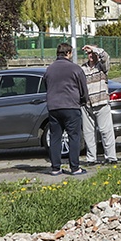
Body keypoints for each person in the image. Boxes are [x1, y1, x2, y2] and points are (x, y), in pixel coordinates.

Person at [44, 42, 89, 176]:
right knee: (74, 136)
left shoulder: (49, 69)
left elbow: (46, 86)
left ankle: (55, 168)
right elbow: (83, 89)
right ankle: (75, 167)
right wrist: (83, 101)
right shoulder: (75, 69)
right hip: (71, 106)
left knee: (55, 137)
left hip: (54, 107)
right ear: (68, 53)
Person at [80, 44, 116, 165]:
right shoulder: (83, 68)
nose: (91, 56)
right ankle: (91, 158)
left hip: (101, 102)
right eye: (89, 54)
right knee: (88, 133)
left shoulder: (102, 66)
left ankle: (111, 157)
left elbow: (105, 56)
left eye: (93, 53)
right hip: (87, 105)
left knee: (106, 131)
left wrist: (94, 49)